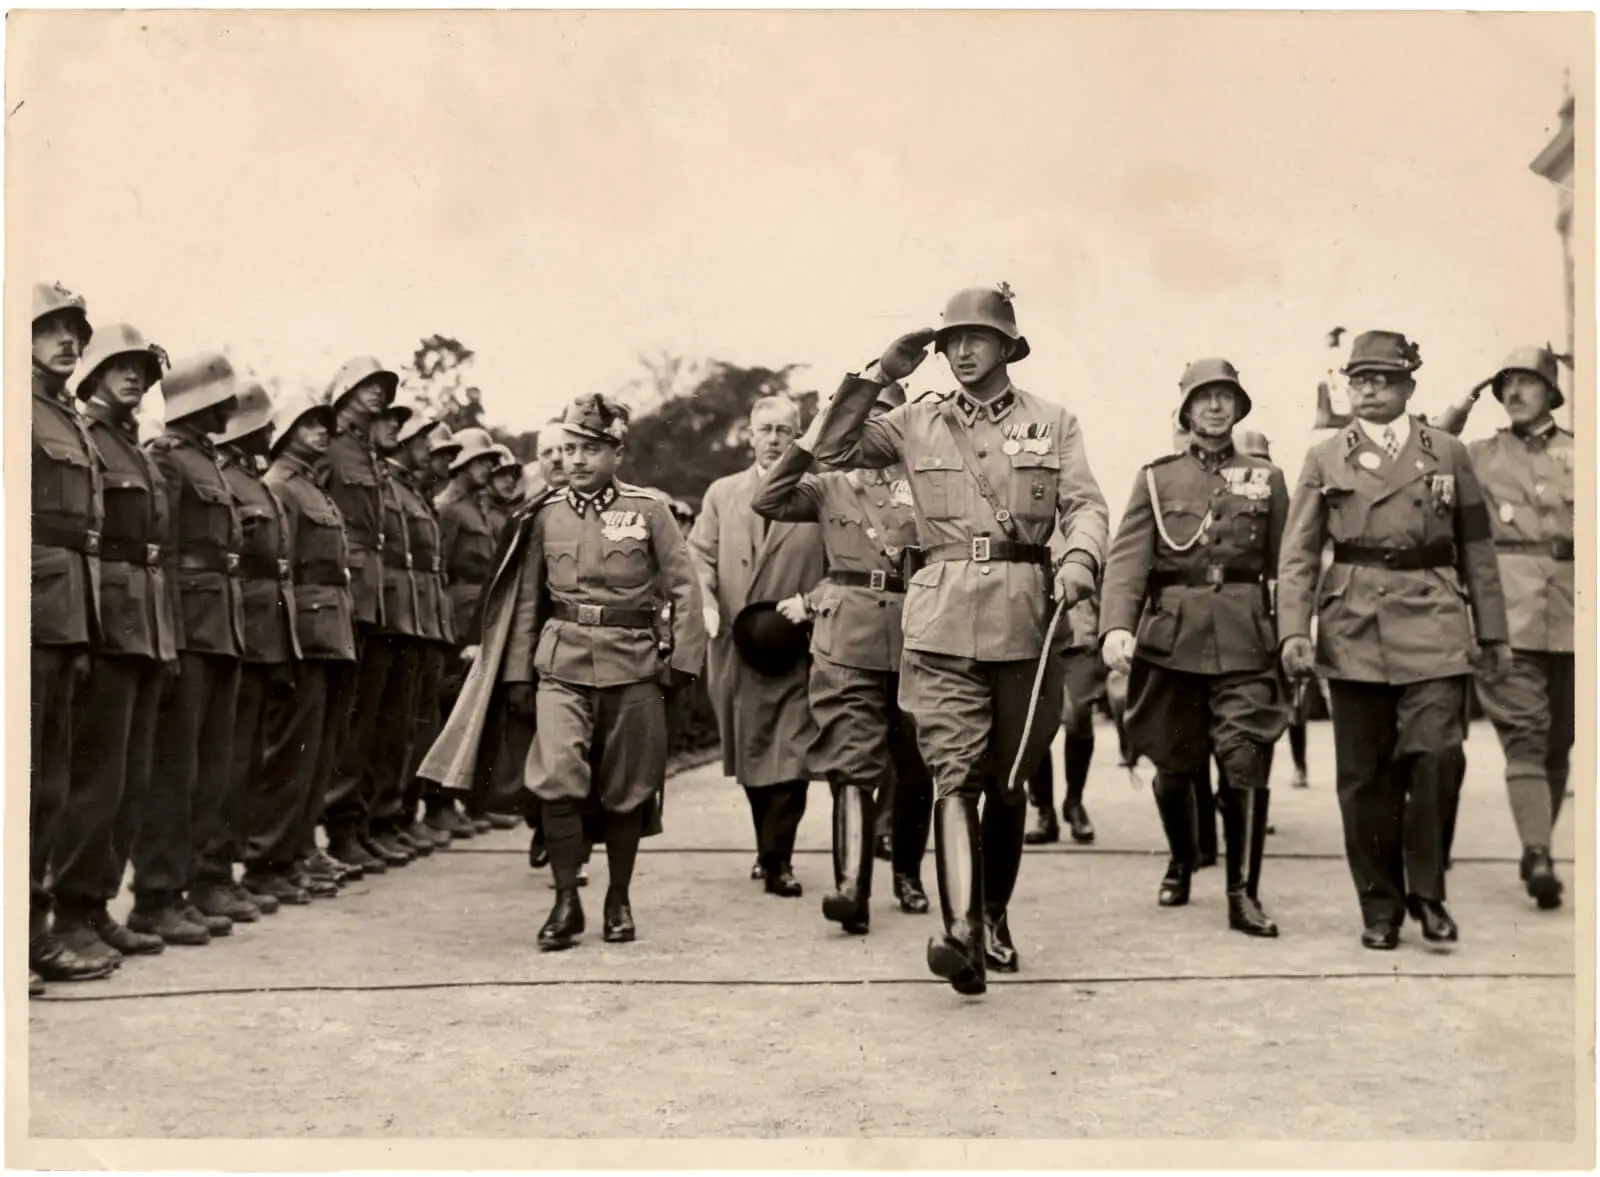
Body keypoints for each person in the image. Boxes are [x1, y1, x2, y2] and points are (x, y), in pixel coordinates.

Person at [801, 284, 1108, 995]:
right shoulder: (912, 421)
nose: (962, 351)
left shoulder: (1052, 421)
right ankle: (960, 933)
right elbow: (828, 448)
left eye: (976, 338)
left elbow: (1086, 504)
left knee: (1006, 784)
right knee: (952, 771)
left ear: (1006, 344)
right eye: (951, 341)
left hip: (1025, 618)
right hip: (937, 618)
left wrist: (1081, 557)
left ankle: (992, 913)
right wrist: (879, 373)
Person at [1278, 330, 1510, 950]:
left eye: (1381, 378)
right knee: (1363, 775)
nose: (1368, 388)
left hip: (1433, 619)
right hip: (1353, 624)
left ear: (1409, 385)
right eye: (1359, 379)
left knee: (1438, 755)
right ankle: (1379, 907)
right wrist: (1293, 631)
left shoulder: (1447, 452)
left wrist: (1492, 631)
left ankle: (1428, 894)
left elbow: (1478, 548)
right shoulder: (1326, 456)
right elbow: (1298, 553)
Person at [1101, 359, 1287, 938]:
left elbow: (1289, 563)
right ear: (1185, 410)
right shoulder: (1156, 479)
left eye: (1225, 398)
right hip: (1172, 640)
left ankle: (1243, 895)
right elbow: (1128, 558)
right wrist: (1115, 627)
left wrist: (1294, 634)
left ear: (1239, 408)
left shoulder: (1267, 477)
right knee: (1174, 767)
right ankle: (1183, 859)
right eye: (1204, 398)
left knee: (1245, 759)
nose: (1214, 407)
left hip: (1245, 639)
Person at [752, 378, 934, 930]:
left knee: (916, 766)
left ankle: (907, 873)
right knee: (851, 765)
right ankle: (852, 885)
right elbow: (767, 498)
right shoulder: (828, 485)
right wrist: (809, 441)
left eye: (883, 419)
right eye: (860, 421)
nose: (870, 431)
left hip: (916, 635)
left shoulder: (928, 483)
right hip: (845, 637)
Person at [52, 323, 174, 971]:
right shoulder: (90, 438)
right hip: (105, 620)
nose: (134, 378)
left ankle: (97, 905)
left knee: (130, 778)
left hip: (146, 624)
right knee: (96, 778)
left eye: (142, 371)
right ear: (94, 376)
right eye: (121, 368)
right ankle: (71, 910)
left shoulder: (136, 449)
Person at [688, 396, 826, 896]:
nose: (774, 440)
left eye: (785, 431)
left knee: (791, 755)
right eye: (765, 429)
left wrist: (811, 602)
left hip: (795, 644)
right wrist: (704, 602)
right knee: (751, 755)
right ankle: (767, 846)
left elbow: (842, 564)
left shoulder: (817, 494)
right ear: (749, 434)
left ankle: (778, 861)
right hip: (735, 644)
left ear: (798, 436)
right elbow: (698, 557)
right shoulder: (723, 494)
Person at [136, 353, 248, 941]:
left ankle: (193, 883)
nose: (231, 408)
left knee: (210, 769)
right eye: (221, 398)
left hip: (220, 628)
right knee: (176, 771)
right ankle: (157, 894)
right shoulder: (169, 458)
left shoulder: (209, 460)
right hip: (190, 627)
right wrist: (172, 637)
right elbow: (167, 553)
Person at [1457, 347, 1574, 910]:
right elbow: (1426, 448)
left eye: (1528, 382)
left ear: (1552, 392)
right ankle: (1539, 854)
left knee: (1560, 741)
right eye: (1506, 384)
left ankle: (1539, 844)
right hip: (1507, 611)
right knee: (1526, 733)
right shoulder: (1479, 454)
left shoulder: (1583, 451)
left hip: (1577, 614)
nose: (1515, 393)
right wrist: (1465, 399)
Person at [29, 282, 114, 993]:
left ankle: (32, 934)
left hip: (65, 616)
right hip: (26, 615)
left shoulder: (68, 420)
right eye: (51, 328)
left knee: (49, 784)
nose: (68, 342)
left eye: (74, 332)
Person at [248, 392, 358, 903]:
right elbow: (279, 568)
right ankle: (269, 860)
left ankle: (295, 853)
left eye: (324, 424)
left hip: (331, 629)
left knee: (316, 755)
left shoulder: (312, 488)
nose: (321, 431)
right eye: (310, 423)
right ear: (286, 431)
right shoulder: (280, 487)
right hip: (305, 631)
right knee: (291, 753)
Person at [210, 381, 295, 918]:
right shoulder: (233, 479)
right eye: (263, 426)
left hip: (262, 631)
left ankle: (226, 868)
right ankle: (213, 869)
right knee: (228, 760)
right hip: (237, 628)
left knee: (244, 760)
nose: (270, 434)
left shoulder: (254, 481)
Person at [321, 356, 407, 874]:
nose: (378, 395)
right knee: (341, 719)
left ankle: (350, 826)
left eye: (383, 388)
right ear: (344, 391)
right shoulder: (330, 446)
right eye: (368, 386)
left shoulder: (368, 453)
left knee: (365, 720)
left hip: (371, 596)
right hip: (343, 591)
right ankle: (336, 827)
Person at [435, 427, 522, 832]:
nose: (490, 468)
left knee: (479, 713)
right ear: (463, 464)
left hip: (484, 615)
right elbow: (442, 569)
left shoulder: (482, 509)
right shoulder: (449, 509)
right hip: (459, 615)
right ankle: (441, 804)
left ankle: (474, 800)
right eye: (483, 461)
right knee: (449, 711)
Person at [362, 399, 431, 861]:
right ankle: (366, 823)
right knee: (371, 727)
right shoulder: (382, 483)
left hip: (408, 616)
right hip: (382, 613)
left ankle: (384, 818)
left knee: (397, 730)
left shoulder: (406, 489)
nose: (428, 448)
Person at [387, 409, 457, 853]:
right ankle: (387, 818)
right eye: (426, 445)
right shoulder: (397, 489)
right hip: (399, 615)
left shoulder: (418, 495)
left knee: (415, 726)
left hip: (424, 617)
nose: (434, 456)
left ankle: (398, 816)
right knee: (394, 727)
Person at [1024, 592, 1104, 846]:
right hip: (1034, 635)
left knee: (1078, 716)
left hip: (1081, 634)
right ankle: (1045, 812)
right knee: (1036, 727)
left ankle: (1074, 802)